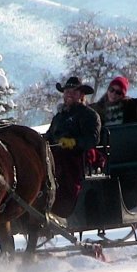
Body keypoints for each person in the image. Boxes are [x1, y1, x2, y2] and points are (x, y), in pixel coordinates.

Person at [45, 76, 101, 218]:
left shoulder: (90, 115)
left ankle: (63, 208)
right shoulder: (58, 117)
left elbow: (93, 139)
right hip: (56, 154)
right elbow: (49, 136)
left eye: (73, 92)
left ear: (81, 95)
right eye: (66, 91)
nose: (69, 94)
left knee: (61, 162)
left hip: (78, 157)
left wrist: (74, 142)